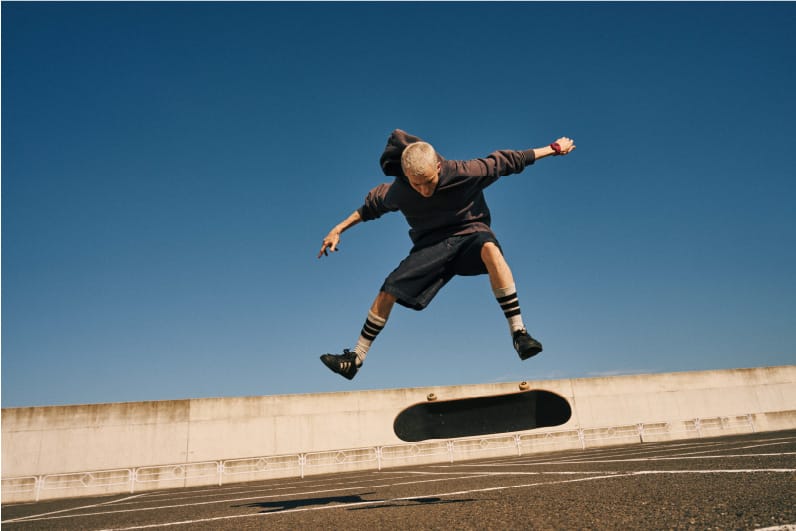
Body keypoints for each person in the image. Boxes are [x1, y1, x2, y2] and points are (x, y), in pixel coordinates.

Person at [317, 129, 576, 380]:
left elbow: (510, 160)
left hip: (469, 233)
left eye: (428, 182)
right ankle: (356, 358)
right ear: (406, 176)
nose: (423, 190)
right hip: (430, 245)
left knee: (490, 247)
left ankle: (519, 333)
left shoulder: (465, 172)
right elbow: (370, 208)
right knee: (389, 289)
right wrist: (338, 228)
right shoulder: (399, 190)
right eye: (416, 184)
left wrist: (553, 149)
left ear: (438, 168)